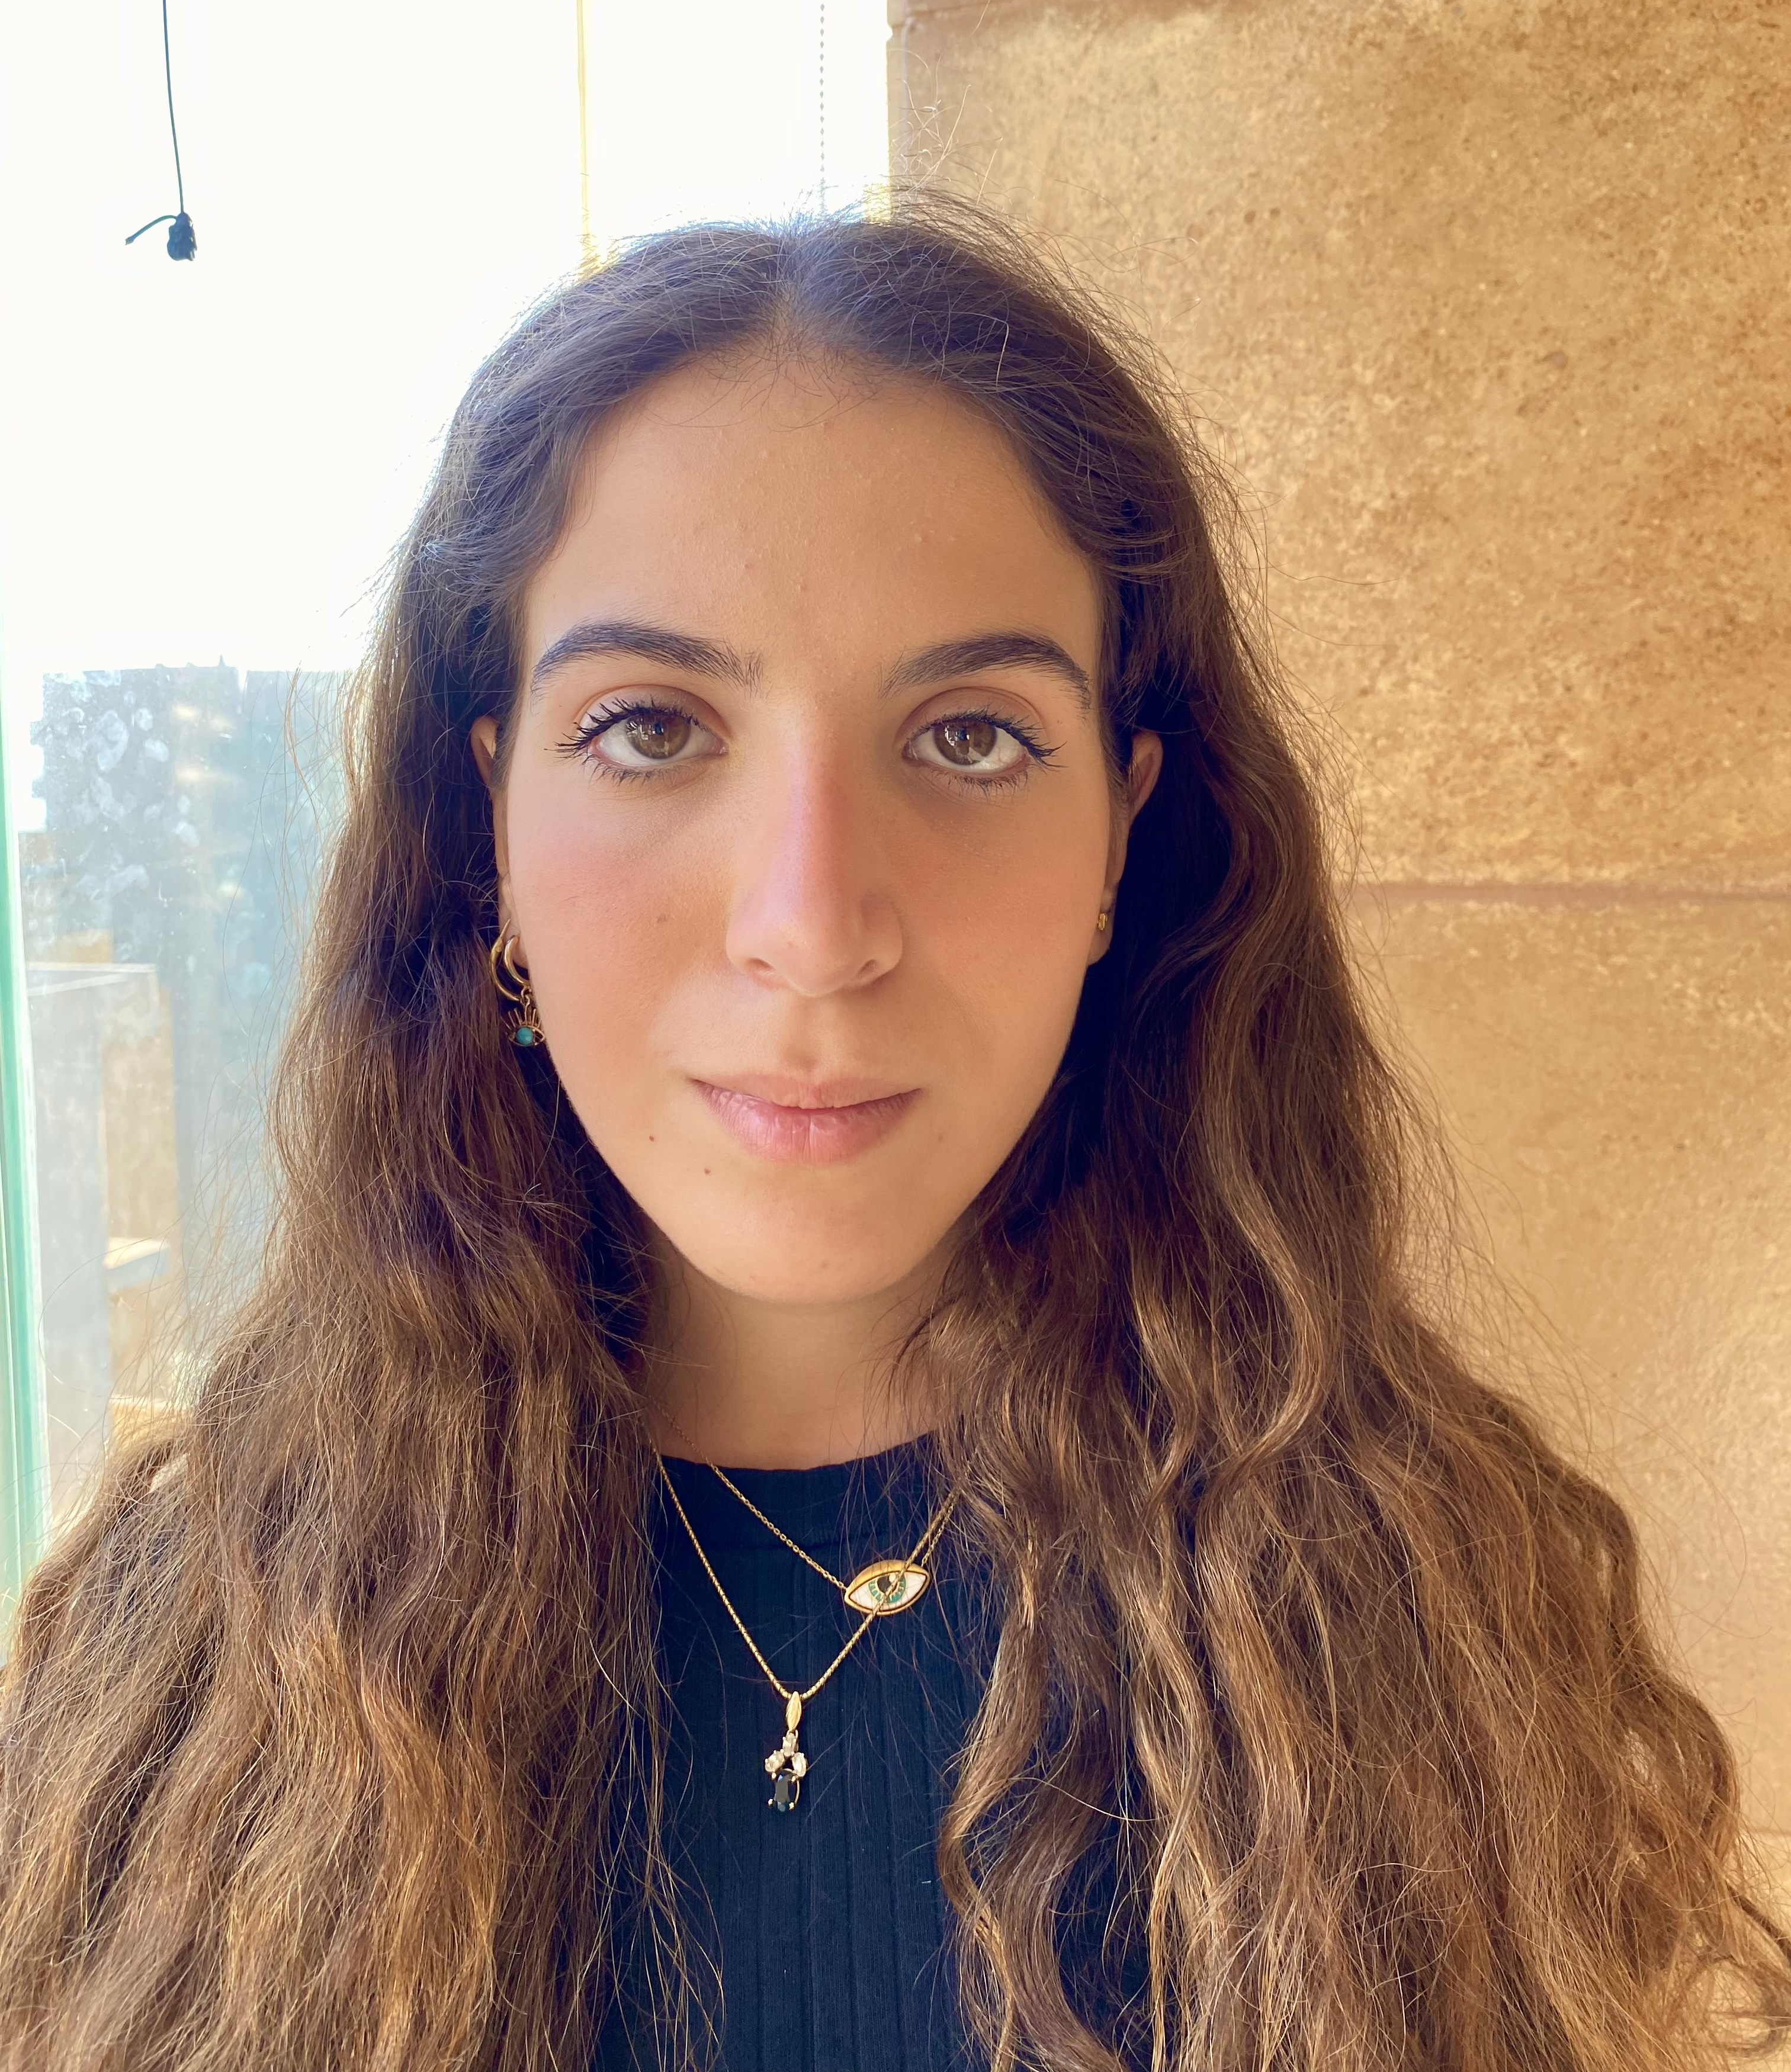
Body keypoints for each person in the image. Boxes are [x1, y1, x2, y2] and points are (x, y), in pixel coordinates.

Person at [1, 199, 1785, 2072]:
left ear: (1121, 838)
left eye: (971, 737)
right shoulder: (188, 1668)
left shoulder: (1418, 1632)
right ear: (491, 831)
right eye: (650, 727)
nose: (814, 923)